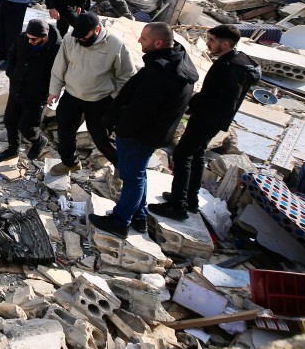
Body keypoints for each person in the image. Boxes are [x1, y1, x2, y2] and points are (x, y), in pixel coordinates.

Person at [89, 23, 198, 237]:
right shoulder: (180, 62)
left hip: (139, 135)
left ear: (158, 43)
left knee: (132, 179)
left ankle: (120, 221)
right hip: (155, 133)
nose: (139, 41)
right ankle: (139, 216)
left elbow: (140, 109)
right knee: (139, 175)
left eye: (144, 39)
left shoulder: (159, 72)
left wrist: (120, 129)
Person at [149, 24, 260, 220]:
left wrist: (197, 105)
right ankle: (190, 199)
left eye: (212, 40)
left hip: (207, 118)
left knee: (182, 156)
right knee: (197, 154)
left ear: (225, 44)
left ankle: (178, 205)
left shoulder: (230, 67)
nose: (207, 44)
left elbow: (223, 98)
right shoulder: (238, 60)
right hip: (213, 119)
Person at [47, 12, 135, 175]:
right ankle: (70, 163)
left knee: (101, 138)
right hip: (72, 95)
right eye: (78, 36)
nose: (80, 39)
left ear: (97, 29)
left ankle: (121, 167)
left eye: (84, 36)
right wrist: (54, 91)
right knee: (65, 132)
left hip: (101, 100)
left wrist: (115, 99)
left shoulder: (116, 44)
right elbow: (59, 66)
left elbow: (127, 76)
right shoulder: (70, 39)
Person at [0, 18, 61, 162]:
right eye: (28, 38)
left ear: (44, 37)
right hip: (16, 88)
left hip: (36, 95)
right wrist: (11, 72)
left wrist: (52, 91)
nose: (29, 42)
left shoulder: (57, 49)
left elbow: (60, 73)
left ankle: (39, 141)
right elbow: (12, 55)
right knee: (10, 121)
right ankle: (13, 150)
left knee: (28, 129)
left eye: (33, 40)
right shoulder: (23, 38)